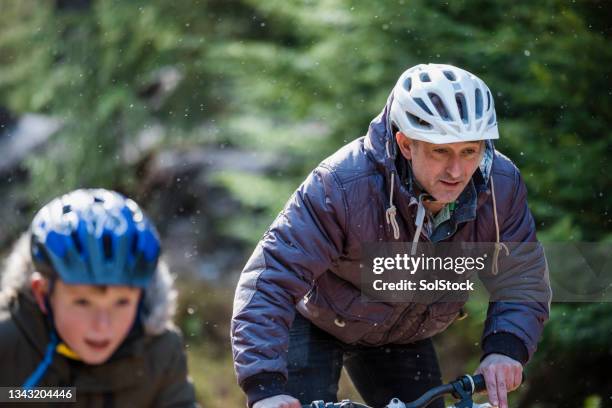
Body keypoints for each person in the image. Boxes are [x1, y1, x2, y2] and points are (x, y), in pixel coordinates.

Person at [231, 63, 551, 408]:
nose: (457, 171)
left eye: (469, 151)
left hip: (403, 334)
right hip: (315, 320)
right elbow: (271, 277)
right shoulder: (341, 184)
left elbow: (521, 273)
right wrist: (263, 386)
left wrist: (506, 347)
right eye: (440, 151)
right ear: (406, 143)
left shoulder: (500, 185)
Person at [0, 189, 197, 407]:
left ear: (141, 295)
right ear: (42, 292)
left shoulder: (160, 353)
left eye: (122, 302)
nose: (102, 326)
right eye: (82, 302)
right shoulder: (7, 344)